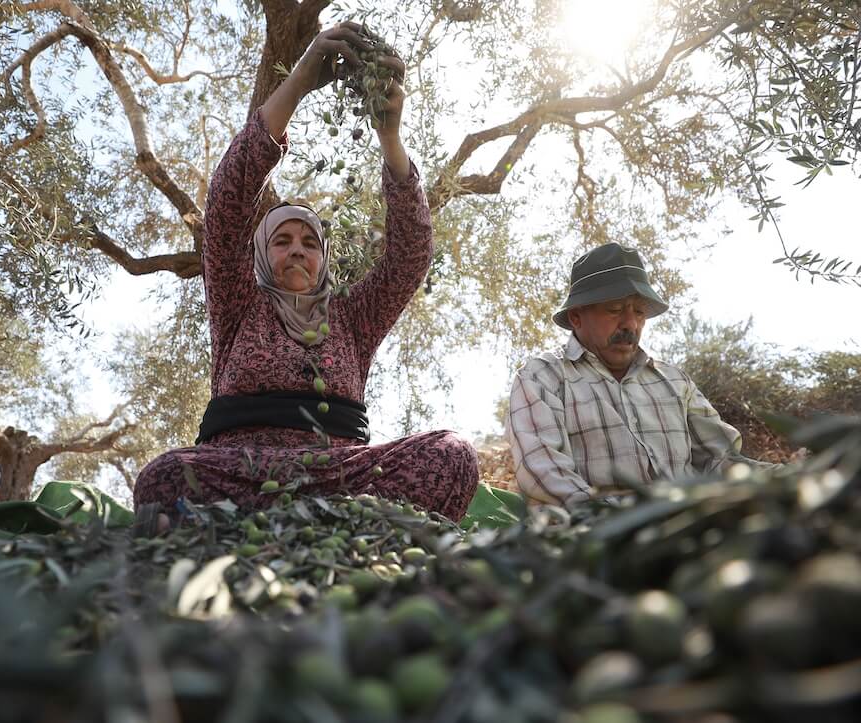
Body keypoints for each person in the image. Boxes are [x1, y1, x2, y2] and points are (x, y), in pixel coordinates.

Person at [134, 22, 478, 527]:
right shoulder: (238, 303)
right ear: (258, 255)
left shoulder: (353, 317)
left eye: (310, 242)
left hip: (341, 477)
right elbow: (228, 202)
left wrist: (389, 134)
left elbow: (410, 256)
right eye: (282, 240)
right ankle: (328, 526)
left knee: (452, 455)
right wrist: (299, 82)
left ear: (325, 261)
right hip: (244, 475)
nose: (297, 250)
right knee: (164, 476)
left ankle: (310, 522)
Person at [507, 243, 773, 508]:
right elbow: (544, 473)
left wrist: (778, 477)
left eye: (639, 311)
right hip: (594, 539)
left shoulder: (674, 381)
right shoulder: (542, 378)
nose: (630, 324)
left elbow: (720, 459)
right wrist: (616, 521)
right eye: (614, 309)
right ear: (577, 317)